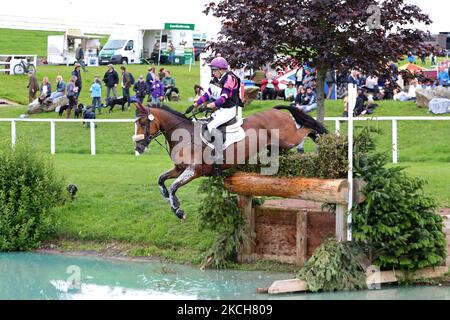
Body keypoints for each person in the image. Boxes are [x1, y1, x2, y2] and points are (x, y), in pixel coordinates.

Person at [191, 56, 243, 149]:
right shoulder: (215, 78)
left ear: (222, 70)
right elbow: (208, 93)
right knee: (204, 122)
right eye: (212, 70)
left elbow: (224, 98)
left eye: (215, 70)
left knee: (211, 126)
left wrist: (210, 105)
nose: (213, 72)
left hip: (229, 110)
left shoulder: (230, 78)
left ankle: (219, 153)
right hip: (221, 109)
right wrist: (196, 104)